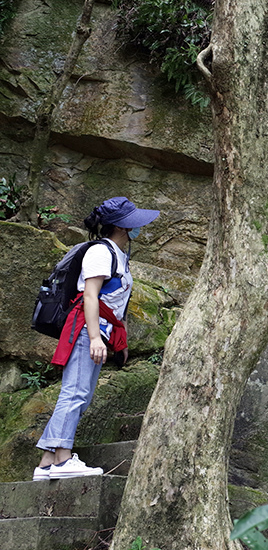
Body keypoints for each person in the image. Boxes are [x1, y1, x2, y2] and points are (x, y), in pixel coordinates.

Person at [33, 197, 159, 481]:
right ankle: (62, 460)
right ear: (124, 227)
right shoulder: (101, 253)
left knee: (80, 394)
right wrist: (94, 338)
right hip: (85, 331)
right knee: (75, 393)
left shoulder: (118, 254)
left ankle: (47, 462)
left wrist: (117, 340)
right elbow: (90, 296)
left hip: (100, 331)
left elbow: (115, 303)